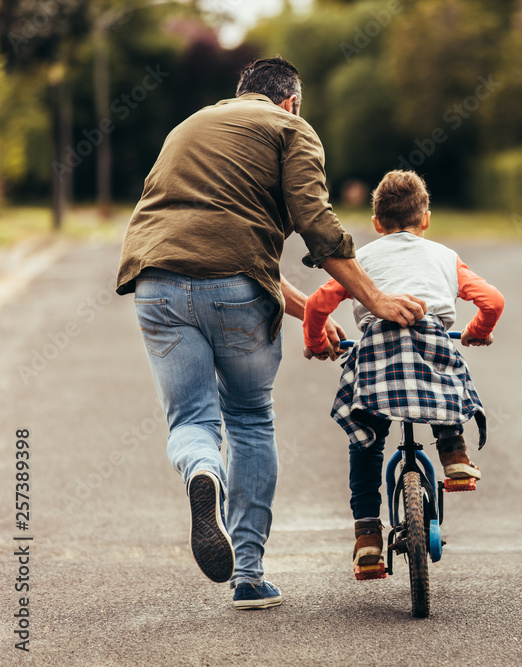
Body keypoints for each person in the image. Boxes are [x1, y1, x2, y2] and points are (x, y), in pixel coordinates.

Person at [115, 58, 427, 609]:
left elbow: (232, 247)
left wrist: (313, 312)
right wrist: (374, 298)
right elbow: (316, 222)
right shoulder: (290, 128)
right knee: (250, 417)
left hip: (155, 283)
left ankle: (203, 472)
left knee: (191, 420)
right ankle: (249, 577)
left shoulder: (189, 127)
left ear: (241, 94)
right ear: (292, 102)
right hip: (235, 291)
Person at [302, 170, 504, 575]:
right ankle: (455, 455)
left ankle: (367, 539)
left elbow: (315, 305)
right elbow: (493, 301)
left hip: (377, 355)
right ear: (425, 218)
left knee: (367, 442)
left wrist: (315, 342)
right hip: (432, 344)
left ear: (377, 224)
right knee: (446, 379)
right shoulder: (445, 258)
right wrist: (477, 332)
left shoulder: (358, 263)